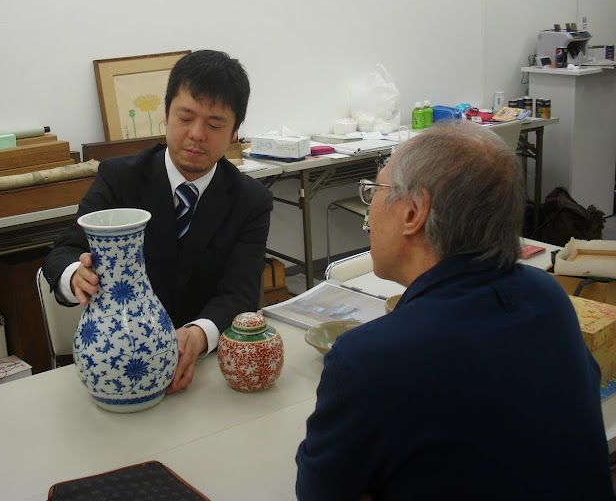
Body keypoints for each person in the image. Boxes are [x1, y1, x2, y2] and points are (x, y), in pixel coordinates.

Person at [295, 120, 612, 500]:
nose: (369, 212)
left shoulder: (369, 360)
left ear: (413, 213)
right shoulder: (548, 297)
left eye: (375, 191)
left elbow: (319, 491)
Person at [43, 50, 273, 394]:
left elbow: (240, 292)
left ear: (235, 132)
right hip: (117, 364)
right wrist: (75, 274)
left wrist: (197, 335)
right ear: (165, 115)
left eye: (214, 125)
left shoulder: (251, 200)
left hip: (204, 373)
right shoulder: (120, 179)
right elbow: (65, 250)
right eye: (185, 117)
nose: (196, 134)